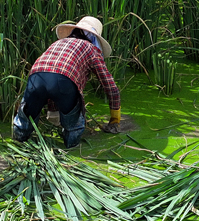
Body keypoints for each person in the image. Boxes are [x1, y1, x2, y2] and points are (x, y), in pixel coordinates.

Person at [12, 16, 121, 147]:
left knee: (24, 122)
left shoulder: (58, 43)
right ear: (94, 38)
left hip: (36, 77)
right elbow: (110, 86)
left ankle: (16, 146)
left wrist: (53, 112)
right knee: (73, 127)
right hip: (63, 81)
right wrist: (115, 119)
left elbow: (50, 75)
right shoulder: (92, 49)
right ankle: (71, 150)